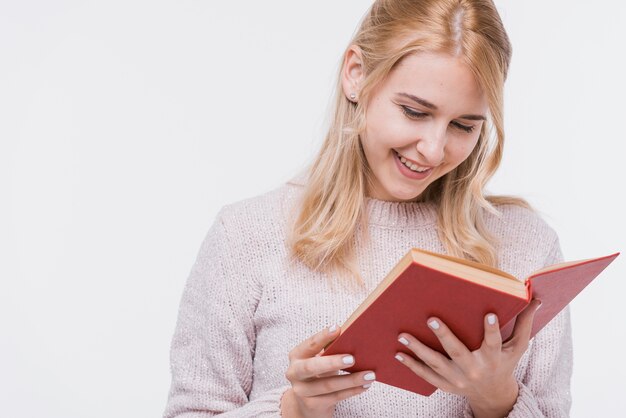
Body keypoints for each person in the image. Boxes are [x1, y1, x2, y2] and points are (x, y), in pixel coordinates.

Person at [162, 0, 572, 416]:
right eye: (414, 111)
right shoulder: (247, 236)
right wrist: (293, 410)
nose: (432, 150)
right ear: (356, 74)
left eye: (464, 126)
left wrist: (498, 401)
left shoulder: (526, 245)